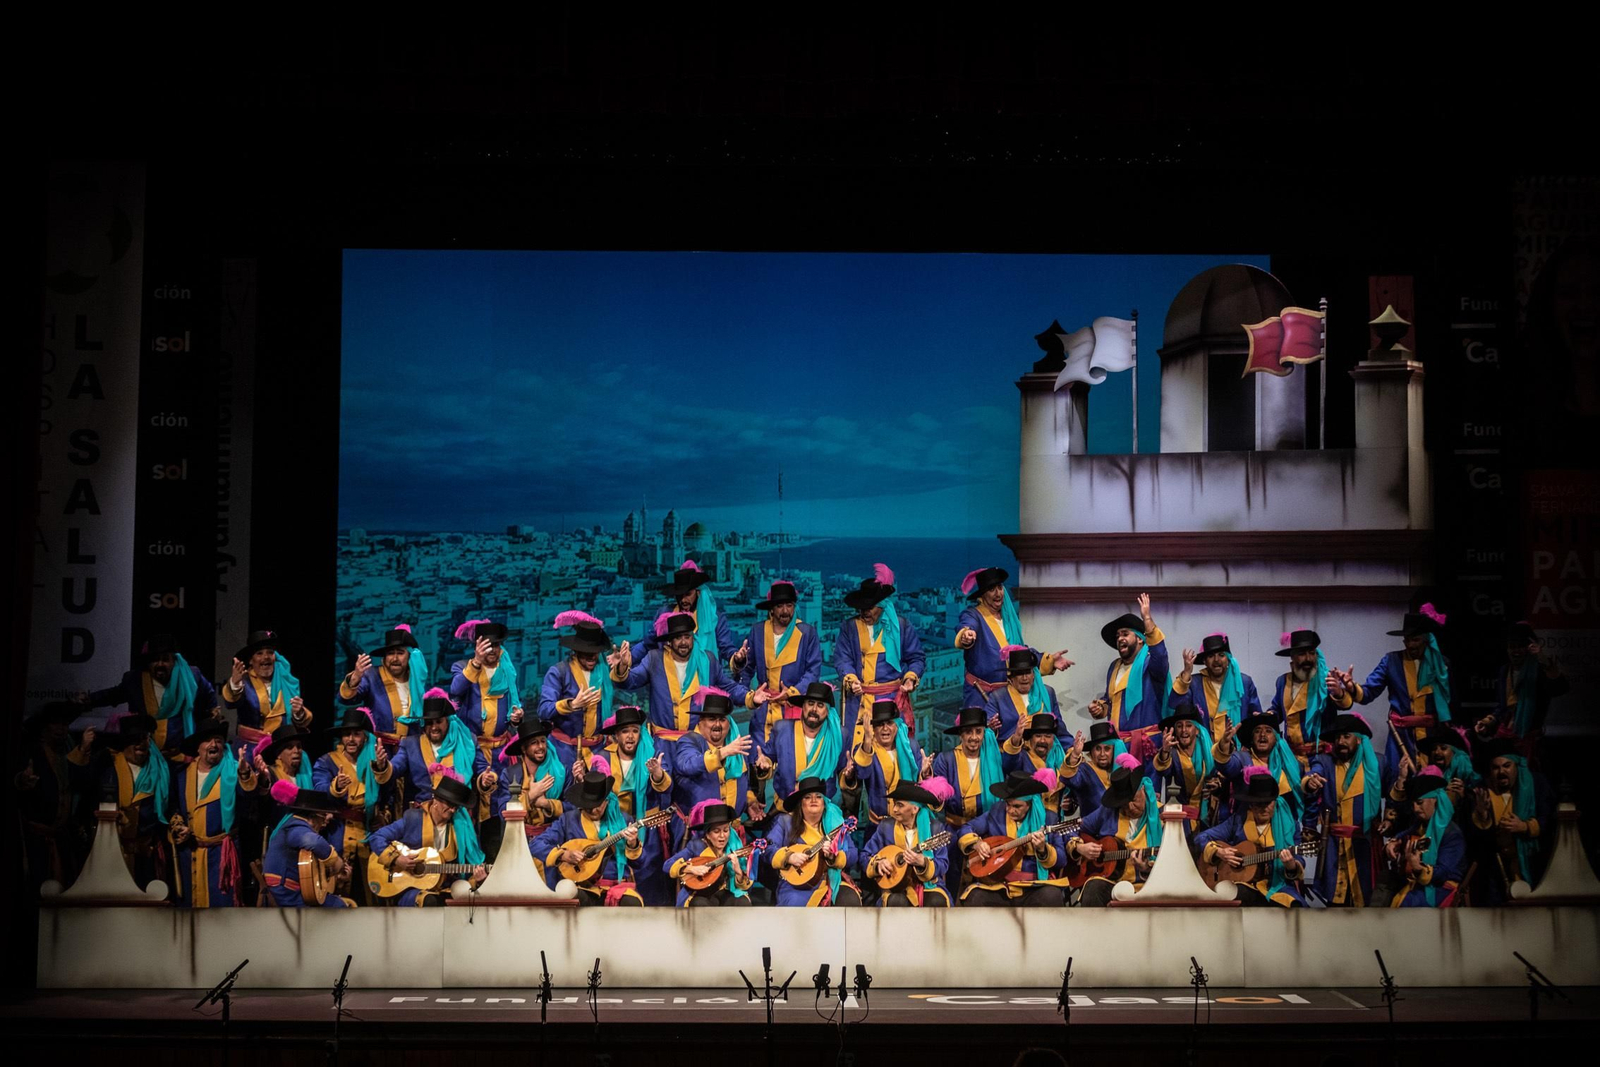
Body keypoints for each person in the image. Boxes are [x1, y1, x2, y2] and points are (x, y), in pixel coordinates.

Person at [577, 704, 673, 904]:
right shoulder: (602, 757)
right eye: (625, 731)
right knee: (615, 873)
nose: (630, 736)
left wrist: (657, 774)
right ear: (616, 736)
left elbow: (665, 788)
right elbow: (594, 794)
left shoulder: (651, 754)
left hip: (646, 826)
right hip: (614, 827)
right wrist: (580, 780)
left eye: (635, 731)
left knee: (648, 874)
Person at [167, 719, 261, 908]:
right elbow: (173, 807)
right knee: (190, 909)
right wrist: (178, 826)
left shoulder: (233, 770)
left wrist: (244, 774)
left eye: (218, 740)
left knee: (221, 909)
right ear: (198, 747)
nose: (214, 744)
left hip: (221, 856)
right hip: (190, 853)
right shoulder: (182, 774)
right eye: (208, 740)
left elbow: (249, 797)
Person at [612, 612, 755, 735]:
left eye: (687, 636)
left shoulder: (707, 660)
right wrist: (622, 667)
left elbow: (729, 687)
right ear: (669, 641)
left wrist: (751, 697)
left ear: (693, 638)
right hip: (663, 744)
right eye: (678, 637)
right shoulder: (654, 658)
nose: (683, 642)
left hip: (697, 744)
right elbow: (631, 681)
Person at [82, 634, 221, 761]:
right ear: (148, 662)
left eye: (165, 660)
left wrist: (213, 711)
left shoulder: (190, 677)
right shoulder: (135, 680)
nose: (160, 664)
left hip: (181, 758)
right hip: (146, 758)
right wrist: (90, 700)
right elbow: (113, 695)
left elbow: (209, 696)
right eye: (155, 660)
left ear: (175, 660)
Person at [1351, 606, 1454, 777]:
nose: (1410, 644)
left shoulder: (1441, 665)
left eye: (1415, 640)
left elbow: (1451, 703)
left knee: (1432, 782)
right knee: (1398, 778)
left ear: (1426, 640)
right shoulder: (1391, 661)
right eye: (1407, 640)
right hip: (1400, 736)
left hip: (1432, 737)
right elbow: (1369, 692)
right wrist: (1351, 687)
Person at [954, 566, 1069, 711]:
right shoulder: (973, 615)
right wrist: (966, 635)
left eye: (1000, 587)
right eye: (991, 589)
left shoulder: (1009, 621)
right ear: (982, 595)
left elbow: (1020, 653)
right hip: (980, 696)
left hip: (1008, 695)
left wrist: (1049, 661)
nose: (998, 593)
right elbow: (966, 626)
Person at [312, 707, 395, 903]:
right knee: (339, 890)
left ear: (365, 737)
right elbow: (319, 788)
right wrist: (335, 787)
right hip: (338, 834)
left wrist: (383, 815)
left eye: (356, 734)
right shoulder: (327, 761)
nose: (350, 739)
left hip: (370, 835)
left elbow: (388, 795)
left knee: (370, 893)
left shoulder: (375, 761)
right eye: (347, 734)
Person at [368, 772, 488, 907]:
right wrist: (396, 859)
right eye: (449, 804)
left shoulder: (462, 830)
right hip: (411, 890)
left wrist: (477, 880)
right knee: (430, 901)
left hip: (445, 890)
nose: (453, 810)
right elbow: (377, 837)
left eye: (456, 806)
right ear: (436, 800)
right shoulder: (413, 819)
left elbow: (471, 865)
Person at [1194, 766, 1308, 907]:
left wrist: (1291, 866)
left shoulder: (1290, 825)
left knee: (1295, 905)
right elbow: (1201, 838)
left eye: (1268, 803)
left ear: (1275, 802)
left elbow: (1298, 859)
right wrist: (1218, 851)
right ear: (1251, 805)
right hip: (1244, 885)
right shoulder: (1238, 821)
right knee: (1235, 894)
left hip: (1276, 885)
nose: (1264, 808)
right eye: (1258, 804)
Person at [1303, 713, 1384, 907]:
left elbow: (1394, 793)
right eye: (1338, 737)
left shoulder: (1378, 763)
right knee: (1334, 897)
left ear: (1358, 739)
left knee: (1367, 898)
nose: (1341, 741)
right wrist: (1310, 781)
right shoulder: (1325, 762)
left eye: (1346, 736)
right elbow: (1313, 774)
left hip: (1364, 842)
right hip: (1334, 843)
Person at [835, 566, 926, 735]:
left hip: (891, 701)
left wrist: (910, 678)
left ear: (883, 605)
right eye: (862, 607)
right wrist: (851, 678)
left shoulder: (901, 627)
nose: (865, 611)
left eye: (870, 607)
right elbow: (842, 659)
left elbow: (916, 658)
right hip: (858, 702)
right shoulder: (849, 627)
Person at [957, 770, 1069, 907]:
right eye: (1008, 804)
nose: (1010, 810)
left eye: (1017, 806)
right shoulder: (997, 812)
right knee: (975, 898)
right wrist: (977, 844)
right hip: (1001, 886)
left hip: (1034, 887)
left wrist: (1042, 849)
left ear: (1030, 804)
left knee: (1052, 896)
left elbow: (1062, 860)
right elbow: (966, 828)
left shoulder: (1049, 819)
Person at [530, 774, 645, 906]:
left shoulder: (624, 821)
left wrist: (632, 844)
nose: (593, 810)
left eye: (598, 805)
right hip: (583, 888)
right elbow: (535, 844)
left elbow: (640, 864)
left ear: (606, 801)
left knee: (632, 904)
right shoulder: (568, 820)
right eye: (588, 806)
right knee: (571, 900)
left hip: (617, 888)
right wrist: (563, 854)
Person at [15, 702, 95, 890]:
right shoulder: (31, 750)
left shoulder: (67, 751)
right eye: (56, 724)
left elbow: (81, 784)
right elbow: (18, 778)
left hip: (60, 837)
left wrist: (83, 750)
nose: (61, 729)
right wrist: (22, 781)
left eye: (65, 724)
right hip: (35, 839)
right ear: (44, 727)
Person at [1467, 737, 1555, 903]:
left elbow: (1550, 819)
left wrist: (1526, 826)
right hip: (1497, 872)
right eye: (1496, 768)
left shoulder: (1536, 785)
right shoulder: (1482, 792)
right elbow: (1475, 839)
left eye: (1507, 766)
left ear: (1516, 766)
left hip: (1531, 864)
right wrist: (1483, 816)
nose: (1501, 772)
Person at [1087, 594, 1169, 760]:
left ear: (1139, 639)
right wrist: (1100, 708)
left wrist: (1148, 621)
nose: (1120, 639)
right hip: (1118, 745)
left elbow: (1160, 657)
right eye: (1117, 636)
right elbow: (1111, 702)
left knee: (1148, 787)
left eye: (1125, 634)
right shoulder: (1114, 667)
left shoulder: (1150, 664)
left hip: (1148, 745)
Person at [668, 689, 754, 848]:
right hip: (697, 836)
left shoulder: (737, 747)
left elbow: (744, 783)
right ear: (700, 722)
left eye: (722, 719)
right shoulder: (689, 742)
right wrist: (722, 753)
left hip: (730, 834)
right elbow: (688, 765)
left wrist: (750, 802)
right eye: (712, 719)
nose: (717, 724)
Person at [741, 581, 823, 745]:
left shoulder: (806, 632)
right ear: (771, 608)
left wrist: (793, 692)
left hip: (794, 708)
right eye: (780, 606)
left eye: (789, 605)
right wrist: (747, 695)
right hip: (764, 710)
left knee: (791, 761)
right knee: (760, 760)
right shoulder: (758, 631)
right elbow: (747, 669)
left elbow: (813, 671)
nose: (785, 611)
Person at [1072, 760, 1162, 907]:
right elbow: (1072, 828)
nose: (1130, 808)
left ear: (1144, 790)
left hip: (1148, 886)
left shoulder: (1164, 816)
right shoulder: (1108, 812)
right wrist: (1079, 847)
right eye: (1123, 805)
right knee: (1093, 887)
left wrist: (1146, 869)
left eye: (1133, 800)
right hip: (1113, 881)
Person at [89, 715, 164, 888]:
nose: (141, 744)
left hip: (145, 853)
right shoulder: (108, 767)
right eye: (135, 740)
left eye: (145, 739)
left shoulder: (159, 770)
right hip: (112, 850)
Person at [389, 690, 495, 811]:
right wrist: (382, 766)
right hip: (422, 817)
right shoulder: (410, 745)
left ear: (447, 721)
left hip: (456, 814)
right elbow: (395, 767)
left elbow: (482, 770)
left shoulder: (466, 742)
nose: (434, 727)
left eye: (439, 722)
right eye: (429, 723)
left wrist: (485, 779)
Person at [1375, 766, 1465, 908]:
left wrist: (1418, 868)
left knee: (1408, 905)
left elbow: (1444, 872)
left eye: (1420, 803)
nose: (1416, 809)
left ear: (1435, 800)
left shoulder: (1451, 833)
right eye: (1413, 805)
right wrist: (1394, 842)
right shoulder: (1419, 826)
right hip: (1417, 883)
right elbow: (1405, 834)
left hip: (1440, 887)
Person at [765, 776, 861, 906]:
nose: (814, 800)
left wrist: (833, 857)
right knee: (795, 903)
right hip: (795, 885)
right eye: (808, 797)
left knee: (849, 899)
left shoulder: (836, 826)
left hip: (829, 880)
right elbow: (768, 848)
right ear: (800, 803)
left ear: (824, 803)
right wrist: (788, 857)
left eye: (818, 796)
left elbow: (853, 853)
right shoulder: (784, 822)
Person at [1268, 629, 1355, 769]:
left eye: (1312, 653)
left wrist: (1339, 693)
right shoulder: (1283, 681)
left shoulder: (1325, 679)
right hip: (1292, 758)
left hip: (1322, 757)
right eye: (1302, 654)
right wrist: (1266, 717)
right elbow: (1278, 710)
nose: (1308, 658)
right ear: (1292, 657)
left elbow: (1346, 704)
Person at [539, 610, 623, 754]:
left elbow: (625, 682)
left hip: (598, 749)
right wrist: (572, 705)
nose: (591, 657)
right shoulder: (559, 672)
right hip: (565, 750)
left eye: (595, 652)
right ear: (576, 651)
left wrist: (621, 666)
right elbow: (544, 710)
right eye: (586, 652)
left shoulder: (602, 672)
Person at [260, 783, 355, 907]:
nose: (324, 823)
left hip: (292, 889)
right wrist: (336, 861)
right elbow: (313, 841)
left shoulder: (293, 822)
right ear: (311, 817)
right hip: (285, 892)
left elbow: (308, 874)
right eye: (323, 817)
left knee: (339, 903)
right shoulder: (295, 826)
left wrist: (335, 875)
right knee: (340, 906)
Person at [864, 780, 953, 907]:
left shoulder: (935, 828)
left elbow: (943, 863)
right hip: (896, 885)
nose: (894, 809)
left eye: (900, 805)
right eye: (894, 804)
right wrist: (878, 864)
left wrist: (923, 863)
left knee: (936, 901)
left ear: (915, 809)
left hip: (927, 885)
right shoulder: (886, 827)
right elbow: (865, 855)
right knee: (896, 901)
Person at [760, 681, 847, 807]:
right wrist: (765, 763)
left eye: (820, 705)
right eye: (810, 704)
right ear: (803, 707)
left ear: (828, 712)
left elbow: (844, 772)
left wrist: (849, 774)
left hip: (822, 809)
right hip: (786, 807)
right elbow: (767, 757)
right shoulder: (782, 729)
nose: (814, 709)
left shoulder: (839, 736)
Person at [635, 560, 741, 664]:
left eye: (688, 594)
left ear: (698, 593)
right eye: (679, 595)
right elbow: (647, 644)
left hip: (704, 678)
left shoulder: (715, 618)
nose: (683, 600)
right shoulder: (664, 614)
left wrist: (737, 658)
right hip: (671, 676)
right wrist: (627, 658)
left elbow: (726, 648)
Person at [449, 619, 525, 762]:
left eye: (495, 645)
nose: (491, 649)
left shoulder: (507, 672)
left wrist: (516, 718)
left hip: (501, 751)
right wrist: (476, 662)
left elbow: (516, 703)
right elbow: (455, 690)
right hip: (472, 749)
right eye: (487, 645)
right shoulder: (462, 667)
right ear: (478, 646)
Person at [1213, 710, 1309, 822]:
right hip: (1248, 828)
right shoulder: (1242, 760)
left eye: (1268, 731)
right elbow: (1226, 767)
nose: (1262, 735)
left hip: (1286, 830)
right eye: (1257, 731)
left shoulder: (1292, 765)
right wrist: (1224, 746)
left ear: (1276, 738)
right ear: (1252, 739)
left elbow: (1306, 795)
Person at [1171, 633, 1262, 745]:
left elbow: (1255, 719)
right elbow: (1175, 706)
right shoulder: (1195, 683)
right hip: (1204, 751)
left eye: (1221, 655)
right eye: (1211, 656)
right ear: (1204, 661)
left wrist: (1248, 747)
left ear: (1228, 659)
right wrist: (1186, 673)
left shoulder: (1244, 683)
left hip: (1237, 752)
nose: (1216, 660)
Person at [338, 625, 424, 742]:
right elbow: (346, 699)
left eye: (400, 653)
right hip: (380, 748)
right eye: (390, 653)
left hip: (411, 749)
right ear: (384, 657)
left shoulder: (417, 681)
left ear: (409, 656)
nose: (394, 658)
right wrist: (355, 677)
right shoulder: (371, 676)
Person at [221, 629, 312, 737]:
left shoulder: (286, 680)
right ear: (251, 660)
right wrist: (235, 684)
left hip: (280, 746)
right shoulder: (244, 681)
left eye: (270, 652)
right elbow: (231, 703)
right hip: (250, 748)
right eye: (259, 653)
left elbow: (300, 720)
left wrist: (298, 713)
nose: (266, 657)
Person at [847, 701, 925, 827]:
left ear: (897, 726)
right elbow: (862, 773)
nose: (885, 728)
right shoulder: (865, 749)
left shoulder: (911, 747)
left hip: (909, 823)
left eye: (889, 723)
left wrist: (925, 774)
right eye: (879, 724)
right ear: (873, 728)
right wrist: (867, 740)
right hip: (879, 825)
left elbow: (920, 785)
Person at [665, 801, 755, 907]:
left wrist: (738, 872)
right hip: (700, 893)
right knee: (701, 904)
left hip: (723, 892)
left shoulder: (733, 847)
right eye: (716, 831)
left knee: (742, 902)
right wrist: (690, 869)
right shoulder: (696, 846)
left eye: (726, 830)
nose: (722, 836)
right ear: (707, 834)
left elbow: (743, 886)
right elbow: (667, 865)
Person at [1492, 620, 1567, 746]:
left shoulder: (1539, 670)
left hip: (1530, 738)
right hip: (1506, 734)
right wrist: (1489, 720)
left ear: (1529, 648)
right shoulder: (1505, 670)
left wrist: (1546, 663)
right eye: (1512, 647)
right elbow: (1503, 706)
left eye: (1520, 647)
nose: (1516, 651)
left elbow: (1560, 689)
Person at [1151, 703, 1222, 834]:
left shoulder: (1208, 753)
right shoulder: (1171, 753)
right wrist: (1165, 751)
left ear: (1197, 729)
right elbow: (1162, 770)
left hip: (1206, 819)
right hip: (1178, 820)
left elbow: (1218, 776)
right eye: (1179, 726)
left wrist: (1216, 786)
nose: (1184, 730)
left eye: (1189, 725)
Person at [987, 647, 1069, 749]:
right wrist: (990, 728)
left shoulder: (1048, 693)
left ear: (1034, 674)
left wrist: (1072, 750)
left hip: (1043, 753)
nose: (1025, 677)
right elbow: (987, 729)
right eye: (1020, 673)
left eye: (1028, 672)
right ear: (1011, 677)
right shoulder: (998, 697)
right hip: (1011, 755)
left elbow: (1059, 729)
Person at [1002, 714, 1073, 820]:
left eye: (1048, 736)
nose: (1043, 740)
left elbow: (1071, 793)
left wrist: (1070, 804)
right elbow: (1009, 765)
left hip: (1054, 822)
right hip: (1027, 821)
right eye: (1038, 736)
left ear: (1053, 739)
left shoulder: (1060, 759)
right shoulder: (1022, 756)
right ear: (1031, 738)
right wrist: (1016, 738)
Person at [250, 722, 313, 829]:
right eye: (289, 747)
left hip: (305, 830)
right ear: (279, 754)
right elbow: (261, 800)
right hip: (280, 832)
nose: (296, 751)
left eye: (298, 746)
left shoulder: (306, 775)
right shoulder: (271, 774)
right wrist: (263, 778)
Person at [1059, 722, 1120, 819]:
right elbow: (1070, 779)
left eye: (1107, 748)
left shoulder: (1121, 771)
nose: (1102, 754)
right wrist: (1074, 755)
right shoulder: (1085, 770)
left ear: (1114, 750)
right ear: (1091, 752)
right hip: (1092, 832)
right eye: (1098, 749)